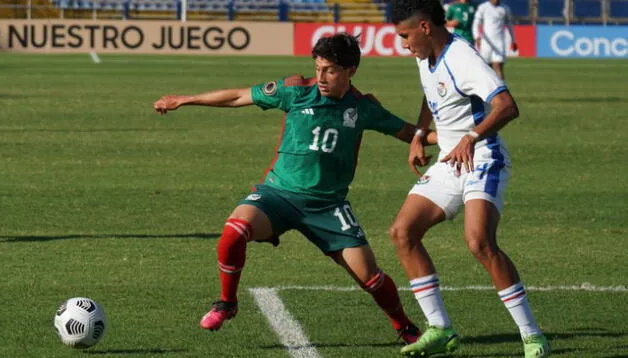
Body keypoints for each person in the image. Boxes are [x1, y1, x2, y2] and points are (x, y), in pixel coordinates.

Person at [153, 33, 438, 344]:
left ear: (350, 71)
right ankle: (227, 303)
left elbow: (410, 133)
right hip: (278, 196)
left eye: (330, 70)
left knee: (371, 278)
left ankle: (405, 328)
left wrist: (462, 138)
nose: (321, 77)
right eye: (317, 68)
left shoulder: (363, 107)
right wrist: (185, 99)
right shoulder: (295, 90)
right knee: (234, 230)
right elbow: (238, 96)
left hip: (328, 207)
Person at [389, 0, 550, 357]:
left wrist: (470, 137)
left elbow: (507, 106)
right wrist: (419, 133)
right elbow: (431, 95)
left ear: (425, 27)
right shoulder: (424, 54)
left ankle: (532, 335)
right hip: (450, 160)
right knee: (403, 233)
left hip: (483, 157)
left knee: (478, 242)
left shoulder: (463, 57)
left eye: (405, 35)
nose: (403, 43)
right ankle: (441, 329)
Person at [472, 0, 518, 79]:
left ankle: (501, 89)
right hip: (486, 43)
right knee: (486, 68)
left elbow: (509, 25)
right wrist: (476, 37)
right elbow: (476, 23)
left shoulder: (505, 9)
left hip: (499, 43)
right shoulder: (483, 7)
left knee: (498, 66)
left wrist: (513, 40)